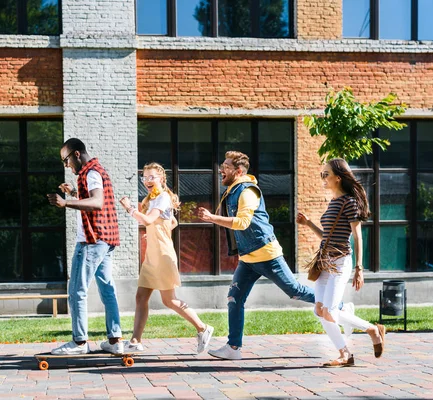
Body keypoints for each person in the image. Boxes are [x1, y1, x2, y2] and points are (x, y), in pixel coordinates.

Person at [197, 151, 354, 360]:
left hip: (267, 253)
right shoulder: (232, 191)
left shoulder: (248, 191)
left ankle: (342, 308)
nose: (221, 169)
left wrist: (211, 218)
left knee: (295, 291)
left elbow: (242, 222)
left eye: (225, 166)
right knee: (234, 298)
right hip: (248, 258)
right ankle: (233, 348)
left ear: (239, 171)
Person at [297, 158, 385, 367]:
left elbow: (357, 237)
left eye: (326, 174)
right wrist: (308, 223)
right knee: (319, 310)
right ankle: (345, 353)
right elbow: (327, 236)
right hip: (324, 262)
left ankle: (371, 330)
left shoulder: (349, 202)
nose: (323, 178)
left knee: (330, 311)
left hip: (340, 262)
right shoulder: (333, 203)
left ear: (338, 177)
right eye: (322, 174)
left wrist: (359, 268)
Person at [120, 162, 214, 354]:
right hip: (152, 255)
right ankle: (135, 340)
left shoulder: (162, 198)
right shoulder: (154, 199)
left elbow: (147, 220)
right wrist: (155, 231)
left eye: (151, 177)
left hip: (162, 255)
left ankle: (203, 328)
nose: (147, 181)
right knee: (141, 297)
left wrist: (129, 208)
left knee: (169, 300)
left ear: (161, 178)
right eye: (144, 177)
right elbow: (173, 221)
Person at [47, 138, 124, 355]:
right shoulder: (96, 171)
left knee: (76, 291)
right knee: (107, 289)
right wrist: (73, 193)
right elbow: (92, 197)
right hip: (106, 240)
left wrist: (65, 202)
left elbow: (96, 202)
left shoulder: (91, 172)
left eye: (66, 159)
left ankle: (79, 343)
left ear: (77, 154)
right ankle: (115, 340)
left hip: (92, 241)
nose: (66, 165)